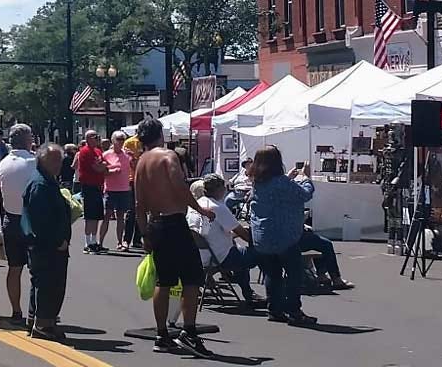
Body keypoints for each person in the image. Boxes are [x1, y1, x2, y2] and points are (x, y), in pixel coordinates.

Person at [133, 119, 215, 356]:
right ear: (160, 134)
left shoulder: (141, 163)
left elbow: (139, 204)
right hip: (174, 223)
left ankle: (161, 335)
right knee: (192, 279)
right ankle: (188, 332)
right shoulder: (168, 156)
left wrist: (143, 232)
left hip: (155, 224)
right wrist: (201, 210)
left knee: (164, 280)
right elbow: (180, 187)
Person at [247, 145, 317, 325]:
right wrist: (305, 178)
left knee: (272, 274)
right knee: (294, 274)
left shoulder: (257, 181)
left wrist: (290, 179)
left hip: (262, 236)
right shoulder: (280, 182)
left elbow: (275, 190)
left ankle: (275, 309)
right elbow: (304, 195)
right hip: (284, 236)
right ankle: (294, 311)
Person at [187, 175, 264, 306]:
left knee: (239, 251)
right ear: (219, 189)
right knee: (262, 253)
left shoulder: (197, 205)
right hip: (219, 257)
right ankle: (270, 295)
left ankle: (248, 292)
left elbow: (210, 232)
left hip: (198, 256)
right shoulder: (218, 207)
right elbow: (243, 234)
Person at [23, 142, 73, 341]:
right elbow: (41, 220)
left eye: (59, 160)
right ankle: (43, 325)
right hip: (46, 246)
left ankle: (37, 320)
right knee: (48, 284)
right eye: (54, 160)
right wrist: (57, 241)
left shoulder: (46, 181)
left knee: (43, 283)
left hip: (45, 244)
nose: (58, 164)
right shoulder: (40, 184)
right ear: (42, 160)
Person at [0, 123, 38, 326]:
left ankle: (16, 311)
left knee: (14, 268)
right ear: (27, 140)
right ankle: (36, 310)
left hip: (10, 218)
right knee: (37, 270)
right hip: (30, 220)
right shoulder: (33, 161)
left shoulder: (3, 162)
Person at [75, 130, 110, 254]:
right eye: (95, 137)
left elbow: (104, 168)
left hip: (98, 186)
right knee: (90, 216)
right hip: (89, 186)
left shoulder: (98, 151)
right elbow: (97, 168)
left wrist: (104, 166)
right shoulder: (84, 152)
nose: (98, 139)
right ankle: (87, 243)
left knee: (97, 215)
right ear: (88, 138)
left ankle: (94, 242)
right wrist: (104, 166)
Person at [102, 131, 136, 251]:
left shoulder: (127, 155)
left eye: (122, 139)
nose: (121, 141)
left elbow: (134, 167)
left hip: (124, 189)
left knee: (121, 216)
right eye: (118, 139)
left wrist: (133, 159)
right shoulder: (106, 154)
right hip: (110, 189)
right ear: (113, 140)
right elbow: (102, 171)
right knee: (107, 215)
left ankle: (120, 242)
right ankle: (100, 242)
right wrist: (112, 171)